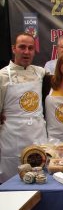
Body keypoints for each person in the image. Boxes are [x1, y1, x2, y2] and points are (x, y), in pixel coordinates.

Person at [0, 33, 47, 183]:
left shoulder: (39, 72)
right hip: (12, 138)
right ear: (14, 49)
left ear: (34, 51)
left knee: (41, 179)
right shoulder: (2, 75)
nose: (26, 52)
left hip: (37, 136)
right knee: (12, 181)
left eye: (30, 48)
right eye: (22, 47)